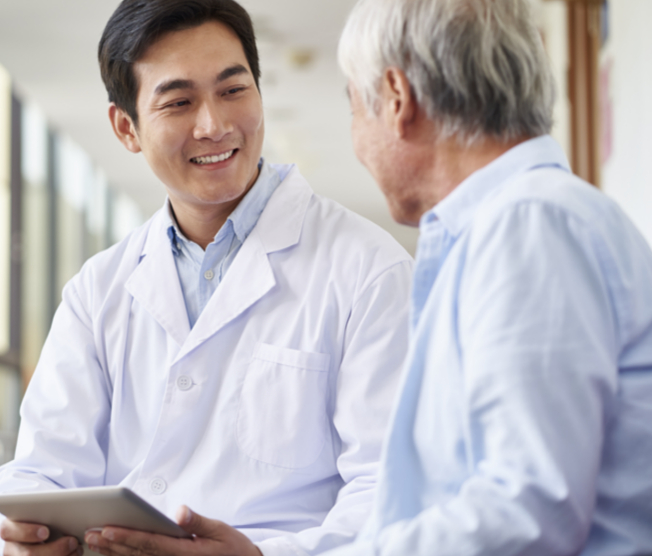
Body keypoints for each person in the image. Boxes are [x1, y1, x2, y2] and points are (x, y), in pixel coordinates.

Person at [0, 1, 413, 555]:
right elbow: (42, 473)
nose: (214, 125)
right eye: (178, 102)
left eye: (233, 90)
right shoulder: (96, 291)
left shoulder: (370, 270)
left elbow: (392, 494)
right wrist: (24, 539)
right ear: (127, 127)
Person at [324, 0, 652, 555]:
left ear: (397, 98)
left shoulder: (530, 225)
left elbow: (526, 511)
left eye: (354, 108)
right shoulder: (514, 226)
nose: (357, 139)